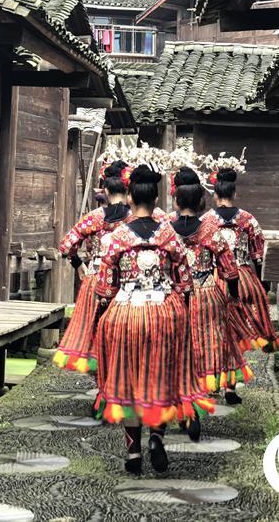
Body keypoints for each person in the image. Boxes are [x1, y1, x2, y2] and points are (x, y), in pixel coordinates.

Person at [92, 165, 214, 474]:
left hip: (126, 313)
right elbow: (185, 282)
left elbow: (105, 287)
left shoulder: (117, 237)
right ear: (157, 197)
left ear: (131, 196)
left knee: (127, 381)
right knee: (161, 376)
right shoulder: (168, 235)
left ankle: (133, 453)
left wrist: (99, 316)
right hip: (163, 313)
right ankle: (157, 438)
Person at [170, 168, 253, 424]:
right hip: (207, 295)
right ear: (200, 202)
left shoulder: (166, 233)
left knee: (177, 350)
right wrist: (234, 296)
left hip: (174, 298)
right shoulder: (210, 232)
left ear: (175, 201)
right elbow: (230, 270)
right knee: (205, 348)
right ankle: (200, 397)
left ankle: (182, 404)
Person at [53, 160, 133, 374]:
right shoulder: (133, 219)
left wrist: (78, 264)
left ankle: (101, 378)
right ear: (127, 188)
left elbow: (66, 244)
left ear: (105, 190)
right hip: (125, 282)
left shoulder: (95, 218)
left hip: (96, 277)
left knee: (95, 329)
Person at [200, 168, 279, 353]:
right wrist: (263, 284)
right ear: (234, 193)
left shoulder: (205, 221)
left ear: (215, 195)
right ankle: (250, 344)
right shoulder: (248, 219)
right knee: (249, 309)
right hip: (244, 275)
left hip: (215, 277)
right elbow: (259, 256)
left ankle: (222, 353)